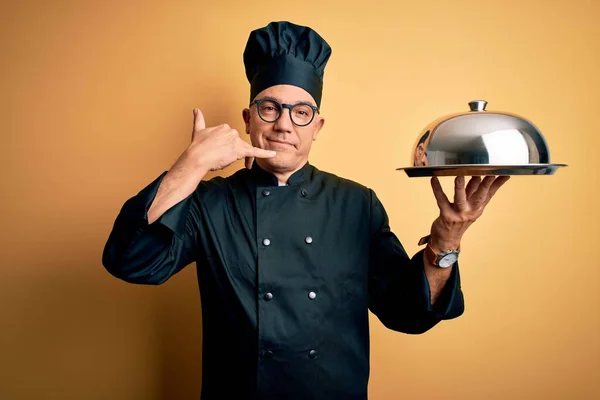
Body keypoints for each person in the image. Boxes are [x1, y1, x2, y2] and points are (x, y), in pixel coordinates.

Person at [102, 21, 509, 400]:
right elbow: (131, 262)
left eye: (300, 112)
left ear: (317, 126)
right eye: (269, 108)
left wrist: (446, 240)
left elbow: (408, 313)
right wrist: (189, 165)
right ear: (248, 119)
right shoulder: (209, 203)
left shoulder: (356, 204)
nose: (283, 125)